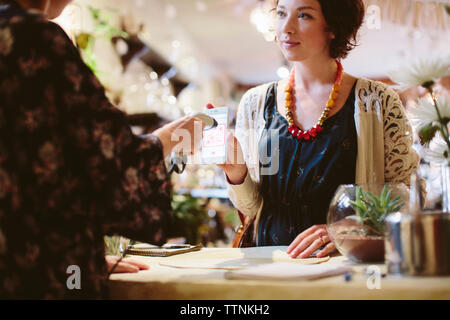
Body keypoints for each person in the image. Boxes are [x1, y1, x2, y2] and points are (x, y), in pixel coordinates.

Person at [0, 0, 204, 299]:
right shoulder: (36, 38)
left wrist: (86, 262)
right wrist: (169, 138)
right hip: (38, 267)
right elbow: (106, 159)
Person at [219, 0, 423, 258]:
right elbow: (252, 208)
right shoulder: (256, 103)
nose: (286, 28)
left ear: (333, 27)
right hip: (269, 267)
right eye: (281, 14)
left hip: (344, 271)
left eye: (304, 15)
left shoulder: (377, 101)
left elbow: (407, 196)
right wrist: (236, 173)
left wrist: (346, 230)